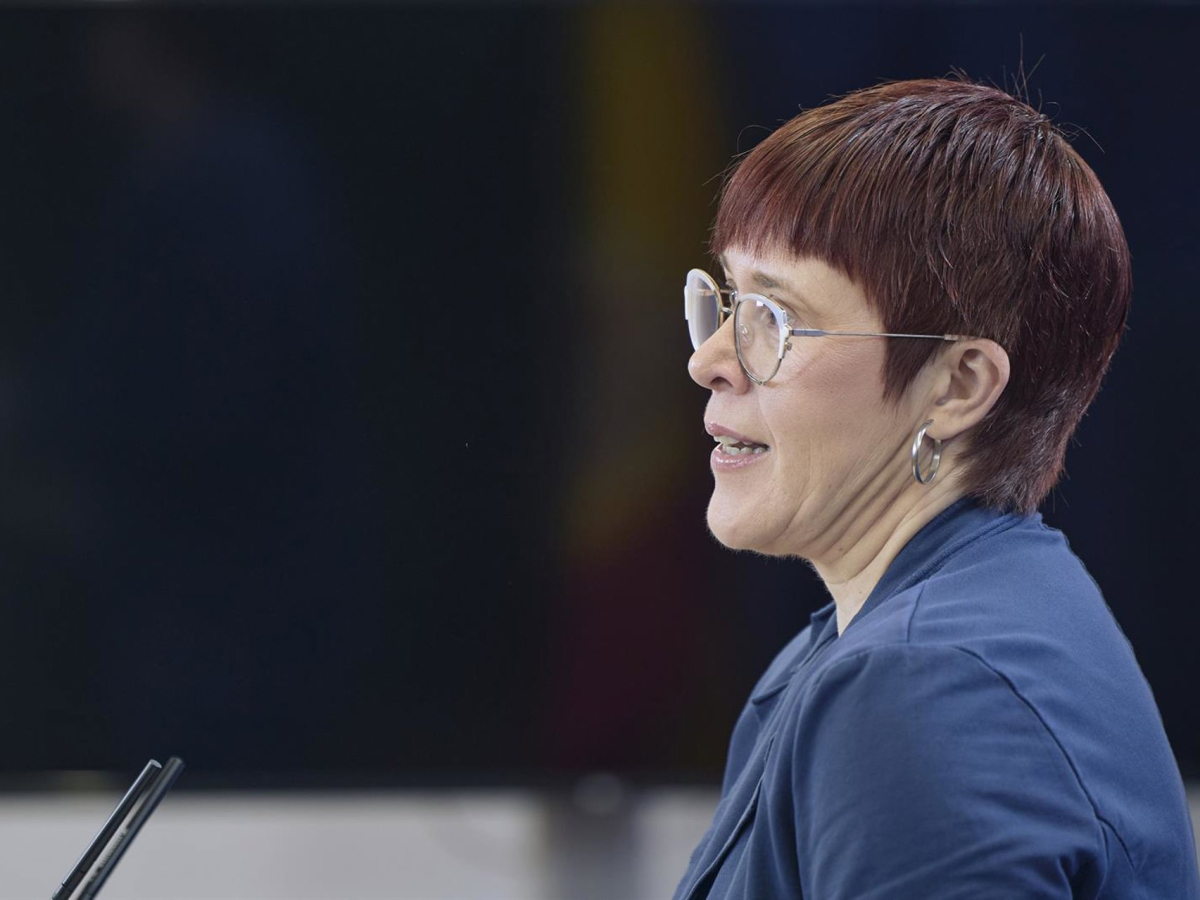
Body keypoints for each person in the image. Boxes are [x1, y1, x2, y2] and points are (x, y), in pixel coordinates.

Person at [676, 78, 1200, 899]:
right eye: (729, 299)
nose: (708, 360)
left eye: (774, 318)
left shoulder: (919, 686)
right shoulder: (890, 636)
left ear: (957, 385)